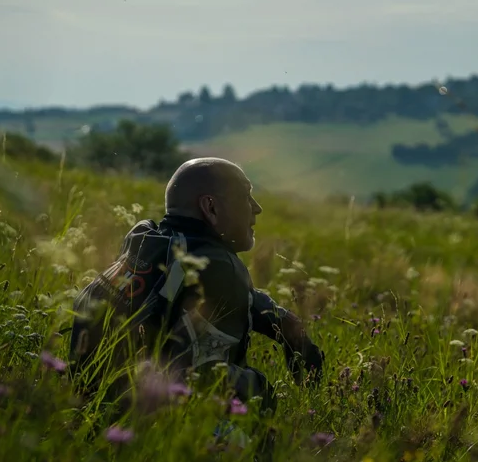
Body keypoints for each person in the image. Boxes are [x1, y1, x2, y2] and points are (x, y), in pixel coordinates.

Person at [67, 157, 324, 417]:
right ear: (210, 207)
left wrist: (284, 321)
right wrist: (263, 391)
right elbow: (202, 377)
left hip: (85, 413)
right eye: (246, 196)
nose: (256, 208)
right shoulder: (221, 265)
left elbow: (176, 288)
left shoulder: (144, 239)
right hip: (142, 431)